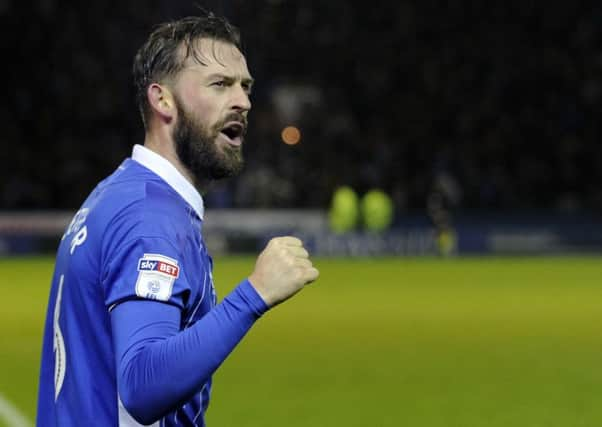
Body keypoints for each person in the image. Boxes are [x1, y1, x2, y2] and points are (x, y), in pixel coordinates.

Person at [37, 12, 319, 426]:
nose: (243, 100)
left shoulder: (120, 191)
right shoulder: (149, 217)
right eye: (220, 84)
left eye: (245, 86)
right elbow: (142, 383)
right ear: (162, 99)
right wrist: (254, 295)